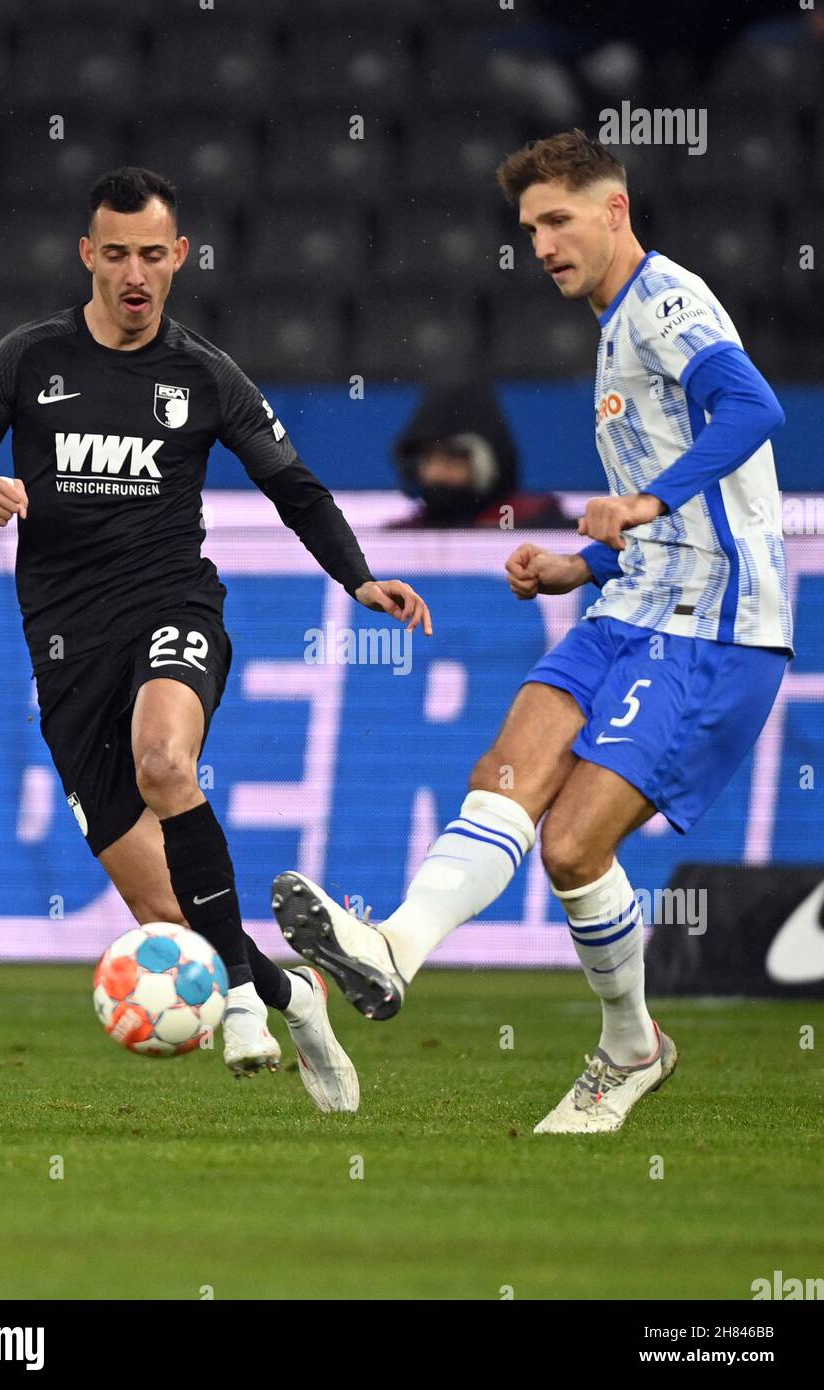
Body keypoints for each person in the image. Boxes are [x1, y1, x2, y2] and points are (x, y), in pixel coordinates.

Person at [271, 129, 792, 1134]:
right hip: (630, 605)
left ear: (614, 208)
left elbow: (753, 408)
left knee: (571, 845)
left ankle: (629, 1046)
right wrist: (578, 564)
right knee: (506, 769)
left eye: (557, 220)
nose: (541, 242)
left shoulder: (669, 302)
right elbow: (667, 509)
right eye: (528, 227)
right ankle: (394, 948)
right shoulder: (608, 329)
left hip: (714, 633)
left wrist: (639, 503)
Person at [0, 166, 432, 1113]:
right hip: (67, 655)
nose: (135, 272)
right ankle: (291, 997)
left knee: (164, 763)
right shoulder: (27, 361)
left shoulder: (201, 373)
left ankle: (240, 999)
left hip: (174, 610)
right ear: (88, 256)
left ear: (180, 257)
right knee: (171, 916)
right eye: (116, 254)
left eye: (153, 253)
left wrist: (357, 576)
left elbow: (295, 485)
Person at [389, 378, 569, 530]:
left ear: (490, 463)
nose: (436, 471)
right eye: (427, 458)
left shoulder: (538, 529)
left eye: (453, 458)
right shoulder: (403, 539)